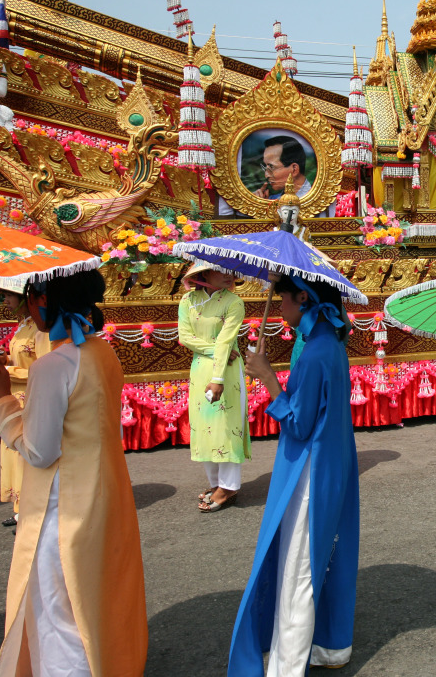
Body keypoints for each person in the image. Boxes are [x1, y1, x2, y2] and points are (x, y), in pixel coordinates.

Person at [0, 269, 147, 675]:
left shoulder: (53, 366)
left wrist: (0, 399)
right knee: (95, 601)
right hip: (104, 498)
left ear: (43, 301)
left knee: (60, 614)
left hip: (62, 510)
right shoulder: (101, 352)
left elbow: (38, 452)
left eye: (33, 294)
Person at [230, 275, 359, 675]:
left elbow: (299, 424)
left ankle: (287, 667)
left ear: (303, 298)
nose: (278, 306)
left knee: (298, 569)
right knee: (319, 560)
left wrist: (268, 377)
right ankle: (327, 646)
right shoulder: (328, 343)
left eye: (280, 298)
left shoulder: (318, 351)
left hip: (311, 472)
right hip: (329, 467)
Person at [177, 261, 250, 512]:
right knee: (204, 426)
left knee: (227, 427)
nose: (230, 276)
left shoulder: (234, 302)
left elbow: (226, 340)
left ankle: (229, 486)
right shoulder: (188, 300)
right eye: (223, 270)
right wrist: (215, 350)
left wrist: (218, 378)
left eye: (233, 271)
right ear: (204, 273)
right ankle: (217, 483)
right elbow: (184, 337)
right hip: (199, 369)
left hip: (226, 373)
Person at [0, 278, 50, 529]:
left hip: (30, 398)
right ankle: (20, 507)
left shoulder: (41, 329)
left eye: (9, 295)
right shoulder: (23, 326)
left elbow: (46, 370)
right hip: (15, 398)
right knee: (14, 452)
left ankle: (31, 508)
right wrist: (2, 359)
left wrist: (9, 372)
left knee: (25, 454)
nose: (4, 300)